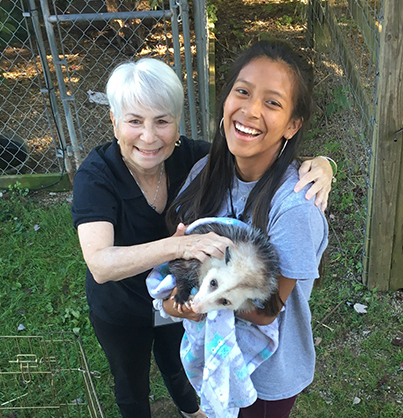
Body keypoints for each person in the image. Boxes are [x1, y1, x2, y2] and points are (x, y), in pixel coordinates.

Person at [71, 57, 332, 418]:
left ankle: (192, 410)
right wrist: (179, 253)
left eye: (162, 121)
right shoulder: (98, 176)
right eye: (134, 121)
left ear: (177, 125)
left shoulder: (193, 162)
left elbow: (258, 154)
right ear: (114, 122)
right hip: (123, 303)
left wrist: (323, 162)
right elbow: (100, 264)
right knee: (130, 381)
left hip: (187, 303)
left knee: (173, 362)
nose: (149, 137)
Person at [165, 40, 329, 418]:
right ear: (225, 100)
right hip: (214, 350)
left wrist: (199, 303)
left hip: (267, 377)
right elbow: (184, 257)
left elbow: (266, 309)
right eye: (242, 92)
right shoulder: (205, 173)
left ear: (292, 125)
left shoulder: (294, 209)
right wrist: (178, 291)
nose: (251, 110)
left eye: (272, 102)